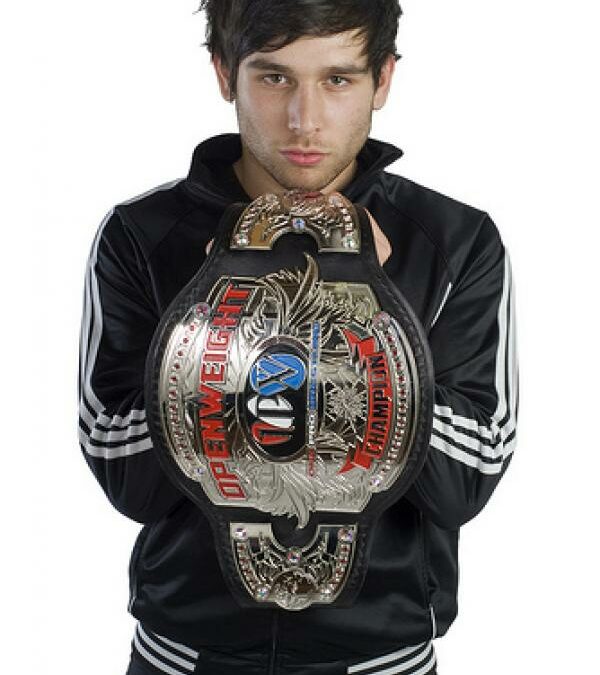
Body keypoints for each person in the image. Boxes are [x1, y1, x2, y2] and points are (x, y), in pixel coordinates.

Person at [77, 1, 518, 673]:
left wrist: (375, 302)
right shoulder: (142, 235)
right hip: (185, 655)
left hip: (381, 658)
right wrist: (210, 310)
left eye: (337, 79)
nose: (304, 119)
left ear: (383, 79)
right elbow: (125, 473)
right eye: (274, 77)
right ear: (224, 73)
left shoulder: (455, 241)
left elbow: (468, 476)